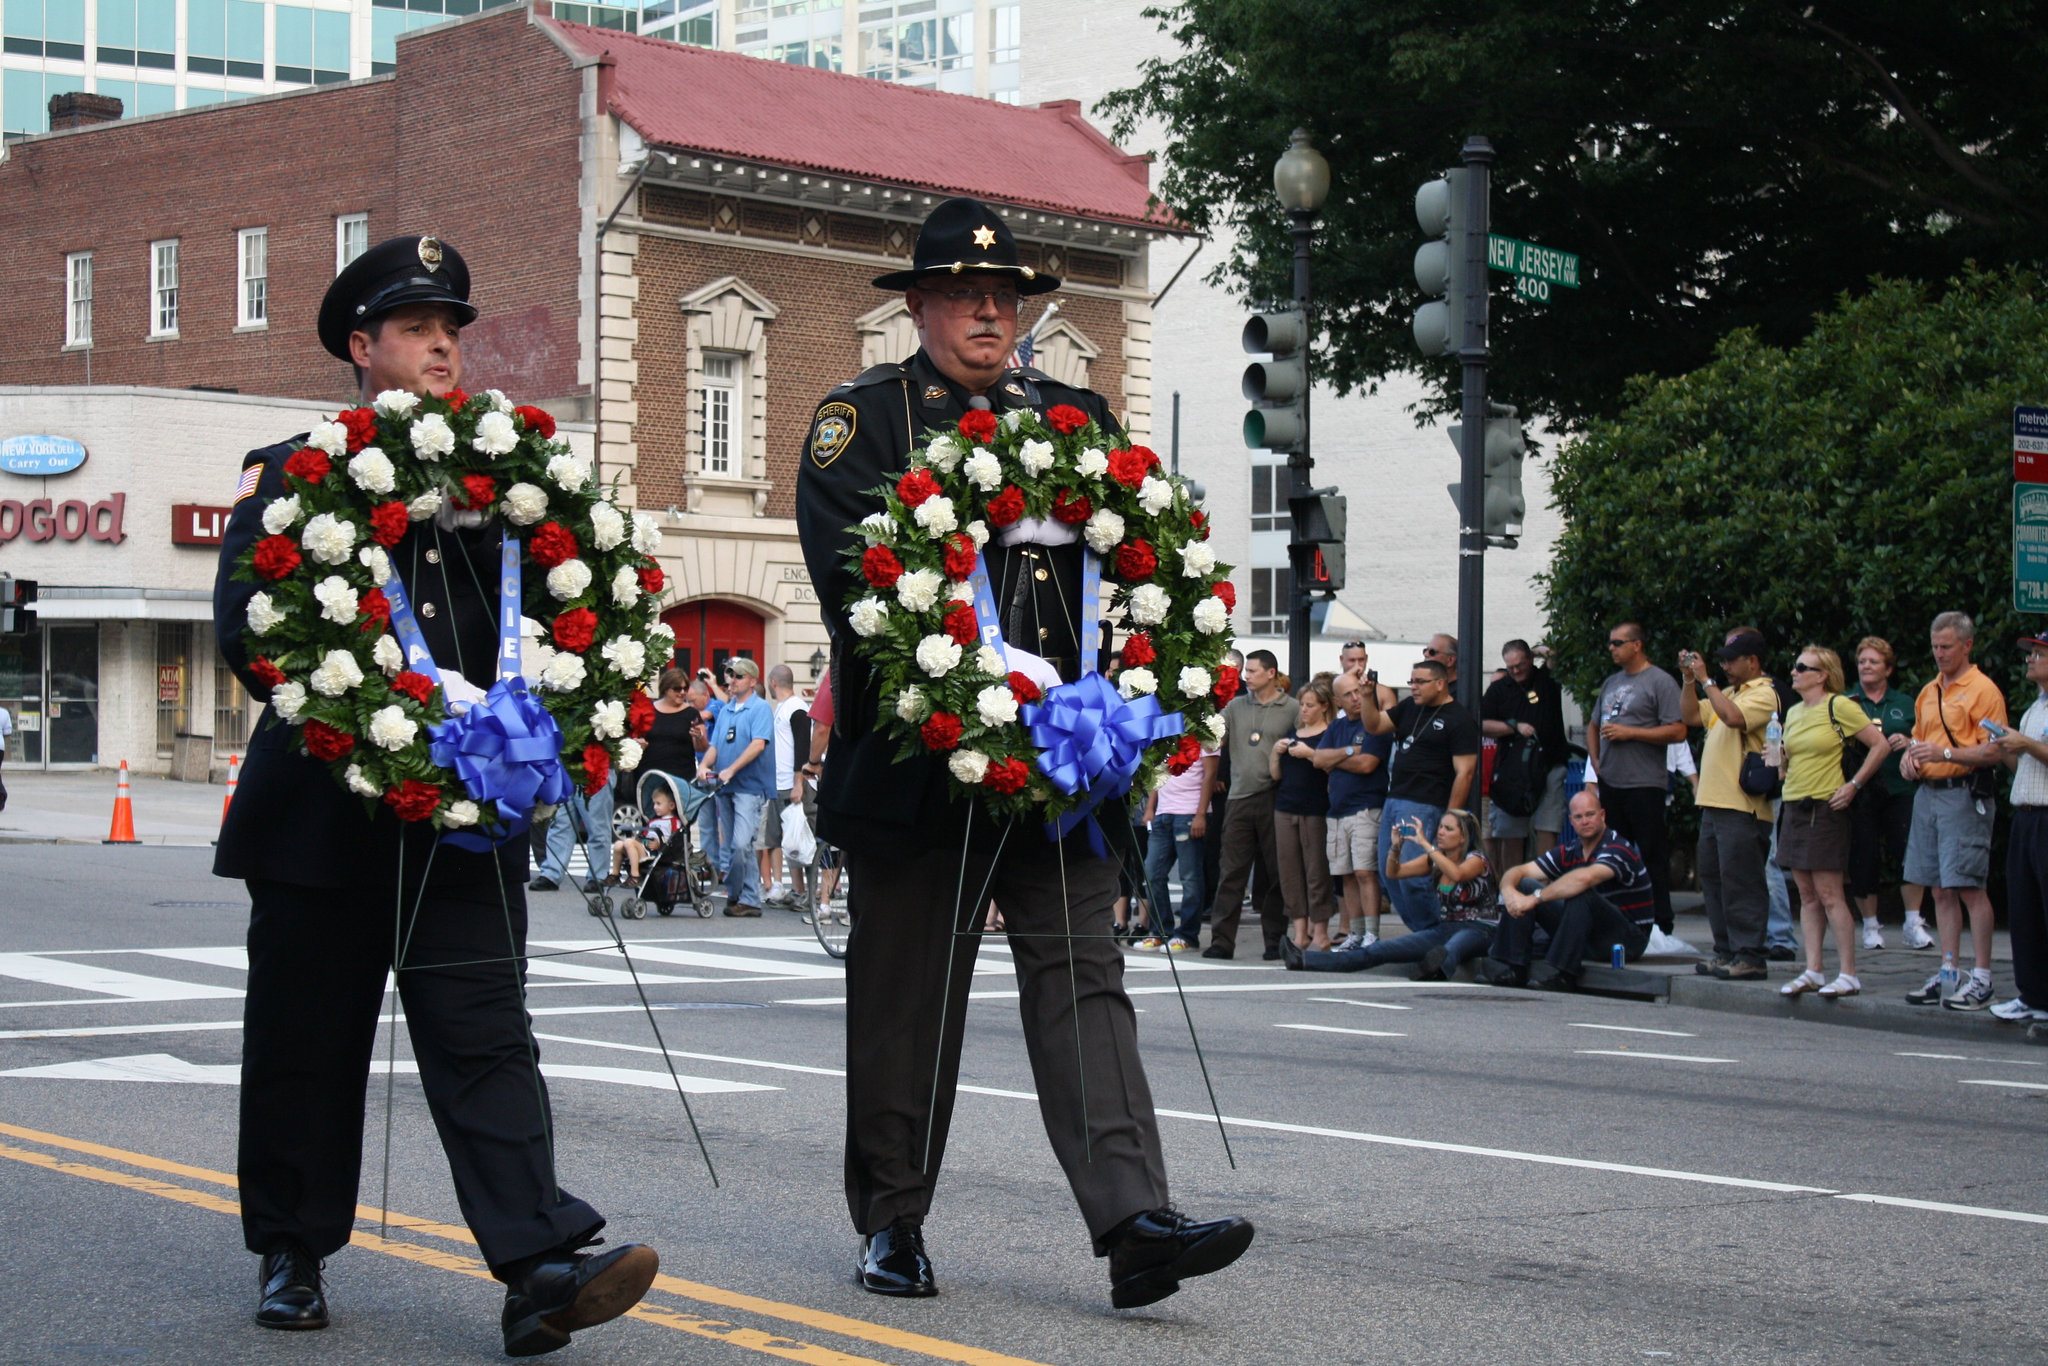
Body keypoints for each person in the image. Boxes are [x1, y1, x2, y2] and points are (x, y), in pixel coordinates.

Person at [793, 197, 1251, 1308]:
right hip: (924, 761)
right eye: (965, 294)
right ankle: (892, 1222)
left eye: (1006, 296)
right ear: (920, 307)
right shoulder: (865, 425)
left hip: (1066, 771)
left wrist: (1126, 700)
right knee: (909, 1000)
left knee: (1085, 981)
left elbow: (1138, 559)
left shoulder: (1076, 420)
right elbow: (865, 599)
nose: (990, 311)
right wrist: (989, 706)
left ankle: (1132, 1218)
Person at [211, 235, 656, 1352]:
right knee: (306, 1044)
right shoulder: (294, 475)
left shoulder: (514, 489)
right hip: (323, 817)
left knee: (487, 1038)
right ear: (361, 348)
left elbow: (573, 620)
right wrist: (380, 733)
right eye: (417, 329)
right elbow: (252, 639)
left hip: (464, 826)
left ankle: (539, 1266)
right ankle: (292, 1250)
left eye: (452, 328)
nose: (443, 347)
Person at [1899, 611, 2008, 1010]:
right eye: (1935, 647)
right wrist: (1909, 760)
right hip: (1928, 794)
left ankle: (1982, 976)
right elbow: (1917, 740)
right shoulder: (1929, 691)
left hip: (1964, 793)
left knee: (1968, 886)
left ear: (1967, 645)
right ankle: (1949, 971)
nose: (1939, 654)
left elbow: (1995, 749)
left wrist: (1945, 752)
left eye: (1947, 647)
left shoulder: (1983, 690)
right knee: (1939, 887)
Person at [1773, 646, 1889, 999]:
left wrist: (1853, 786)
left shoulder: (1838, 706)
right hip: (1794, 804)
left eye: (1801, 667)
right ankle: (1813, 970)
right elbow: (1785, 762)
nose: (1793, 672)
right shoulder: (1792, 712)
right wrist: (1778, 760)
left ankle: (1849, 973)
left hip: (1824, 806)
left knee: (1829, 893)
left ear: (1822, 674)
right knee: (1806, 895)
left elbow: (1880, 745)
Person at [1351, 654, 1481, 935]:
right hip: (1395, 799)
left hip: (1426, 804)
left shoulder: (1459, 719)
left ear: (1440, 683)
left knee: (1414, 876)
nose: (1414, 687)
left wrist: (1451, 818)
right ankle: (1422, 933)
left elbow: (1465, 773)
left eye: (1421, 682)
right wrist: (1367, 696)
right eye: (1412, 681)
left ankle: (1435, 932)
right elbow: (1374, 725)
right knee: (1391, 872)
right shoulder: (1411, 706)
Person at [1286, 808, 1494, 977]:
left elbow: (1457, 874)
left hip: (1479, 929)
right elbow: (1394, 872)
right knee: (1379, 949)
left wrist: (1425, 844)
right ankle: (1305, 959)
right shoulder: (1437, 859)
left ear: (1463, 837)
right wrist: (1395, 848)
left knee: (1452, 949)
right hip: (1445, 927)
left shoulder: (1476, 859)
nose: (1440, 832)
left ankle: (1434, 971)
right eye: (1440, 827)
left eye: (1448, 829)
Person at [1678, 631, 1778, 980]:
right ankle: (1726, 951)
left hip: (1742, 805)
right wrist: (1690, 681)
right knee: (1715, 880)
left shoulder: (1765, 693)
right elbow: (1691, 716)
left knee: (1742, 882)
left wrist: (1706, 679)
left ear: (1753, 661)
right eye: (1721, 660)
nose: (1725, 666)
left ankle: (1750, 954)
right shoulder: (1728, 693)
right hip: (1713, 802)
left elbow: (1734, 718)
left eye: (1731, 660)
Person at [1490, 790, 1655, 989]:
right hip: (1589, 934)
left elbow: (1586, 878)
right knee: (1523, 885)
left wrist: (1536, 898)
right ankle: (1514, 969)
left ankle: (1563, 975)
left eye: (1590, 815)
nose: (1585, 821)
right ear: (1571, 821)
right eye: (1579, 817)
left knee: (1580, 892)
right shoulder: (1570, 850)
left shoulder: (1618, 847)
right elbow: (1520, 870)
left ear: (1602, 816)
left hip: (1627, 940)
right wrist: (1509, 892)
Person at [1585, 622, 1686, 933]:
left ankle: (1660, 922)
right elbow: (1593, 724)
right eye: (1611, 643)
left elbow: (1678, 729)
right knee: (1613, 854)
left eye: (1618, 643)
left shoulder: (1660, 682)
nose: (1612, 649)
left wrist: (1631, 732)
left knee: (1651, 852)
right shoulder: (1612, 682)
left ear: (1637, 645)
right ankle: (1619, 918)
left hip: (1644, 782)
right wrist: (1597, 761)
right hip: (1611, 781)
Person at [1205, 649, 1300, 960]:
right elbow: (1213, 737)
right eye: (1247, 671)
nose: (1247, 676)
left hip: (1275, 796)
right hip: (1239, 797)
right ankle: (1222, 941)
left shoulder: (1292, 708)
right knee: (1231, 871)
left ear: (1271, 673)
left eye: (1254, 671)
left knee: (1275, 872)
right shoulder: (1234, 706)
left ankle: (1274, 940)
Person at [1845, 636, 1929, 949]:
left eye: (1874, 662)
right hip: (1862, 790)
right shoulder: (1847, 700)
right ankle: (1870, 926)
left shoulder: (1906, 703)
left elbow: (1925, 738)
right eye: (1862, 661)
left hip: (1899, 787)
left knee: (1909, 852)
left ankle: (1913, 921)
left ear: (1888, 668)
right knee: (1863, 856)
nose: (1866, 666)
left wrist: (1910, 744)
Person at [1991, 633, 2048, 1023]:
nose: (2030, 659)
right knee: (2025, 909)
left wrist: (2025, 744)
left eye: (2038, 654)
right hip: (2026, 815)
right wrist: (2008, 749)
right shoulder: (2035, 708)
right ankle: (2034, 996)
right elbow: (2027, 764)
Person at [1316, 668, 1391, 952]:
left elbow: (1367, 764)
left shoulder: (1376, 724)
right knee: (1345, 873)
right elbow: (1318, 760)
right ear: (1337, 700)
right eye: (1348, 694)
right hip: (1337, 810)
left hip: (1366, 808)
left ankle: (1372, 932)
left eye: (1358, 691)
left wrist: (1334, 758)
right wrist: (1349, 752)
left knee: (1364, 872)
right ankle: (1355, 932)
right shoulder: (1336, 727)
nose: (1356, 697)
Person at [1480, 638, 1570, 870]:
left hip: (1549, 762)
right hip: (1513, 768)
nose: (1516, 671)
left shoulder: (1545, 680)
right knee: (1512, 832)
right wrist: (1513, 727)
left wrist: (1539, 651)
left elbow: (1555, 658)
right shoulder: (1499, 689)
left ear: (1530, 660)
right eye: (1510, 667)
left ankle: (1544, 881)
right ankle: (1512, 886)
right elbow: (1481, 723)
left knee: (1547, 826)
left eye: (1520, 664)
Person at [699, 656, 775, 917]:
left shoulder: (760, 708)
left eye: (738, 676)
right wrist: (704, 766)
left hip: (749, 786)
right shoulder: (728, 709)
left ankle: (737, 891)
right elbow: (716, 745)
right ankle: (748, 898)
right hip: (725, 785)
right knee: (731, 845)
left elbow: (758, 743)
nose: (732, 680)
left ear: (753, 681)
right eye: (730, 675)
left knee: (742, 843)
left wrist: (732, 768)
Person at [1270, 678, 1336, 954]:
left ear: (1324, 706)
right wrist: (1275, 752)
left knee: (1316, 870)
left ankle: (1320, 930)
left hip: (1316, 809)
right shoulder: (1292, 732)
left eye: (1310, 706)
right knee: (1289, 871)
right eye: (1303, 705)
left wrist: (1311, 754)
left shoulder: (1330, 735)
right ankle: (1299, 931)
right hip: (1285, 807)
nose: (1305, 710)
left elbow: (1333, 769)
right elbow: (1276, 775)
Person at [1138, 735, 1215, 952]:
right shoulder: (1168, 730)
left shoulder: (1206, 731)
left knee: (1190, 877)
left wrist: (1201, 814)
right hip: (1163, 812)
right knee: (1152, 873)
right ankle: (1160, 931)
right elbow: (1159, 773)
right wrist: (1150, 808)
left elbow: (1210, 775)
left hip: (1189, 812)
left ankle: (1188, 935)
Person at [760, 663, 807, 908]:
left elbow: (802, 747)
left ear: (773, 682)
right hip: (776, 783)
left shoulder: (796, 708)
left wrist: (798, 782)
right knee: (779, 839)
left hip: (790, 783)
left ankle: (801, 889)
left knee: (795, 837)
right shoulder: (781, 708)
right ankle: (793, 888)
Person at [639, 667, 701, 782]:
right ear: (666, 689)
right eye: (677, 689)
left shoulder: (692, 713)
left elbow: (702, 747)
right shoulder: (648, 710)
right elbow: (636, 736)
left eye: (685, 688)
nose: (682, 692)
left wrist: (699, 737)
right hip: (650, 775)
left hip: (681, 778)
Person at [611, 783, 681, 883]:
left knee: (628, 842)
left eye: (658, 803)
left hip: (657, 854)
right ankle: (615, 875)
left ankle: (635, 875)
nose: (655, 807)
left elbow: (675, 840)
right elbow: (642, 837)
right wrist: (642, 841)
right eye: (654, 803)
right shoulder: (652, 822)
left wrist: (660, 844)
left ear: (671, 805)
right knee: (618, 844)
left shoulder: (674, 822)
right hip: (644, 849)